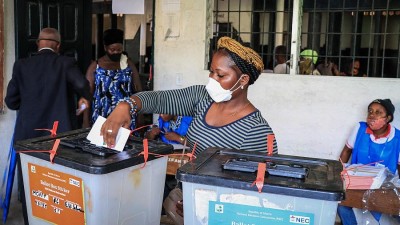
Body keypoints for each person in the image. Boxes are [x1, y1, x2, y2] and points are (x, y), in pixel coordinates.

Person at [99, 36, 278, 224]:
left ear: (243, 80)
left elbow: (258, 195)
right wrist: (126, 106)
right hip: (182, 199)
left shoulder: (256, 131)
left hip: (219, 214)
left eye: (221, 75)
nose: (212, 81)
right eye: (211, 72)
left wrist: (205, 203)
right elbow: (160, 99)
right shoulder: (202, 98)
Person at [5, 27, 91, 225]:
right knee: (59, 182)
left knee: (30, 181)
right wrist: (84, 99)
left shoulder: (21, 66)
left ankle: (31, 219)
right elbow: (82, 85)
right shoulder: (65, 63)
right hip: (59, 137)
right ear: (58, 46)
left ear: (38, 43)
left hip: (27, 136)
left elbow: (11, 102)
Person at [337, 99, 400, 225]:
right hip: (358, 180)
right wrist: (337, 175)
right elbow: (346, 151)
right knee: (341, 202)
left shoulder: (398, 137)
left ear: (388, 118)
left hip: (384, 185)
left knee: (396, 208)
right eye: (370, 111)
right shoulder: (360, 128)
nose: (372, 115)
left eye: (378, 112)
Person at [84, 28, 143, 129]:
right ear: (105, 48)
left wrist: (140, 116)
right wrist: (85, 120)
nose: (116, 52)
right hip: (101, 116)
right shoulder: (96, 66)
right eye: (112, 50)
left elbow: (138, 90)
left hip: (126, 116)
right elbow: (87, 94)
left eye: (119, 50)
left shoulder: (128, 64)